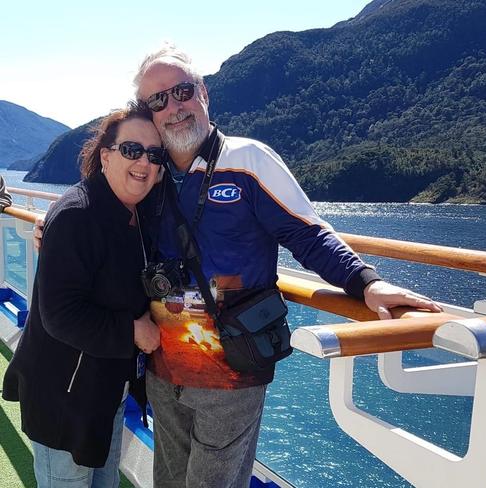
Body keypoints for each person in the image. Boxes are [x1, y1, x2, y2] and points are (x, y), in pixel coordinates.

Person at [132, 45, 442, 488]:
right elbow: (108, 213)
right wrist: (64, 222)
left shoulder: (249, 161)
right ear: (148, 113)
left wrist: (366, 283)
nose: (173, 108)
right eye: (157, 100)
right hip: (164, 369)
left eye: (181, 91)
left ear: (202, 93)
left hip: (231, 372)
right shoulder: (149, 173)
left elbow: (308, 234)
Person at [2, 103, 162, 488]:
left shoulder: (137, 214)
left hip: (104, 391)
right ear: (105, 157)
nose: (143, 161)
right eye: (131, 150)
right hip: (64, 394)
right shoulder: (77, 214)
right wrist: (133, 331)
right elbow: (60, 314)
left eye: (154, 154)